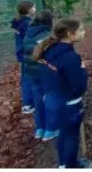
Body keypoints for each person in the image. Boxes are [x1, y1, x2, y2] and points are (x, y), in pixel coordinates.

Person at [34, 18, 92, 168]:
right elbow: (79, 87)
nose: (84, 32)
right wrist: (83, 70)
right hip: (69, 105)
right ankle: (71, 166)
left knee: (63, 134)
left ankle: (63, 164)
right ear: (70, 34)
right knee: (72, 137)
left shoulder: (48, 50)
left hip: (53, 102)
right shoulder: (71, 58)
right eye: (80, 30)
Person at [20, 10, 58, 140]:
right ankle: (51, 129)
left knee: (38, 100)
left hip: (31, 73)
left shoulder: (28, 33)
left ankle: (39, 129)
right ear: (49, 21)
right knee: (50, 99)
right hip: (45, 73)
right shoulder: (47, 36)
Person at [11, 1, 37, 113]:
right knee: (32, 79)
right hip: (29, 55)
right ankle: (30, 104)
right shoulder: (27, 24)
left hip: (22, 54)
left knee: (26, 79)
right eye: (34, 7)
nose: (35, 9)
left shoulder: (19, 22)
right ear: (28, 10)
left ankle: (27, 104)